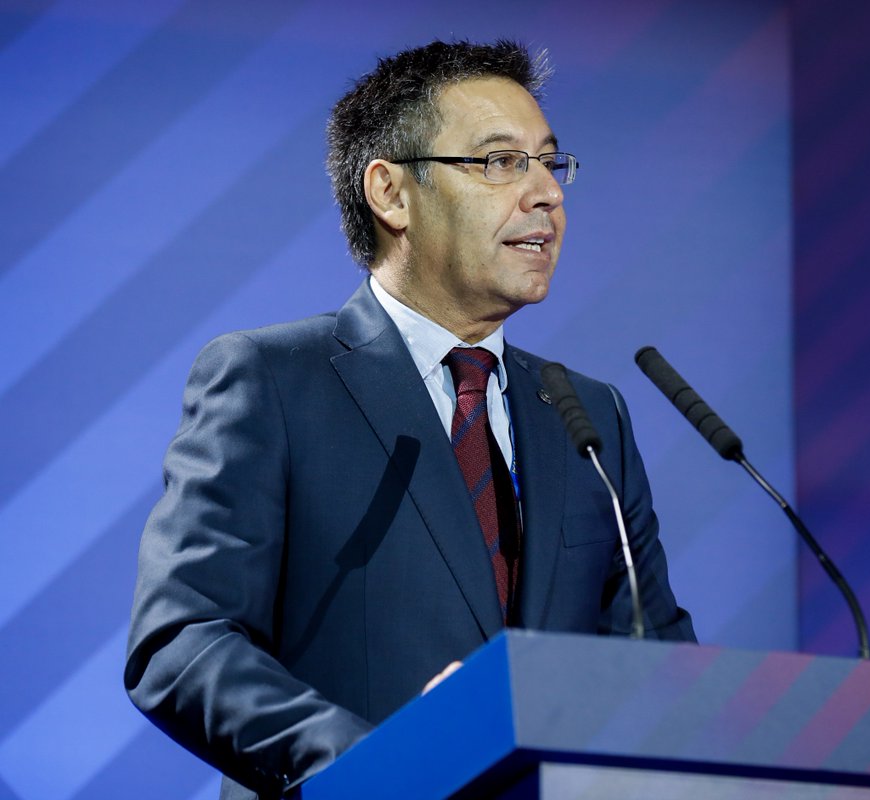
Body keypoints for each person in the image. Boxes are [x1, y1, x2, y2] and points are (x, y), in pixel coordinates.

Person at [124, 39, 694, 799]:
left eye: (549, 163)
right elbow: (183, 642)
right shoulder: (272, 381)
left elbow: (655, 665)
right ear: (391, 193)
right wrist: (373, 764)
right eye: (500, 162)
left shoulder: (588, 416)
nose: (546, 194)